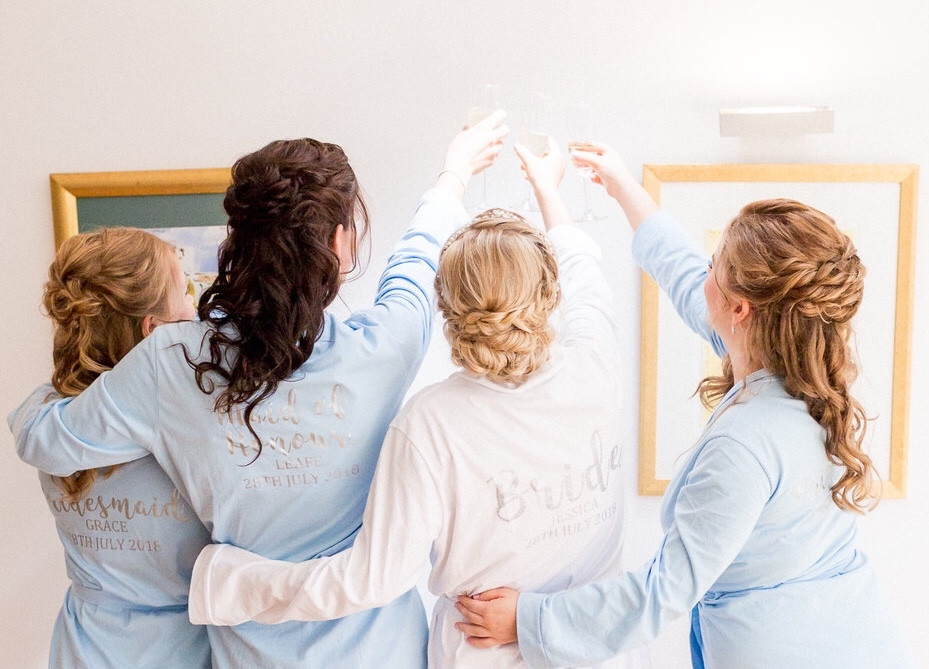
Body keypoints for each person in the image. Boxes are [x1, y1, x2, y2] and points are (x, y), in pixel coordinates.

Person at [9, 114, 509, 669]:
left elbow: (47, 442)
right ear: (340, 244)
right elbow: (416, 260)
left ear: (238, 244)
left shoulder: (168, 363)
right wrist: (452, 175)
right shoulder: (387, 349)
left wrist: (37, 401)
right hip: (379, 652)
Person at [183, 138, 647, 669]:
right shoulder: (597, 362)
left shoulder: (430, 425)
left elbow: (369, 578)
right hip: (606, 650)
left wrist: (227, 583)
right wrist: (547, 188)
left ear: (447, 307)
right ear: (549, 293)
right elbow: (584, 270)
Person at [453, 143, 913, 669]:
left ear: (739, 308)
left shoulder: (745, 445)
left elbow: (663, 589)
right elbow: (680, 269)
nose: (704, 269)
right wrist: (622, 184)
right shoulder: (797, 363)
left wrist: (530, 619)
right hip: (857, 631)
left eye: (714, 264)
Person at [22, 227, 210, 668]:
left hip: (86, 645)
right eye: (184, 291)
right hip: (182, 648)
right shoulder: (190, 427)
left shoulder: (47, 418)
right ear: (156, 332)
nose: (194, 306)